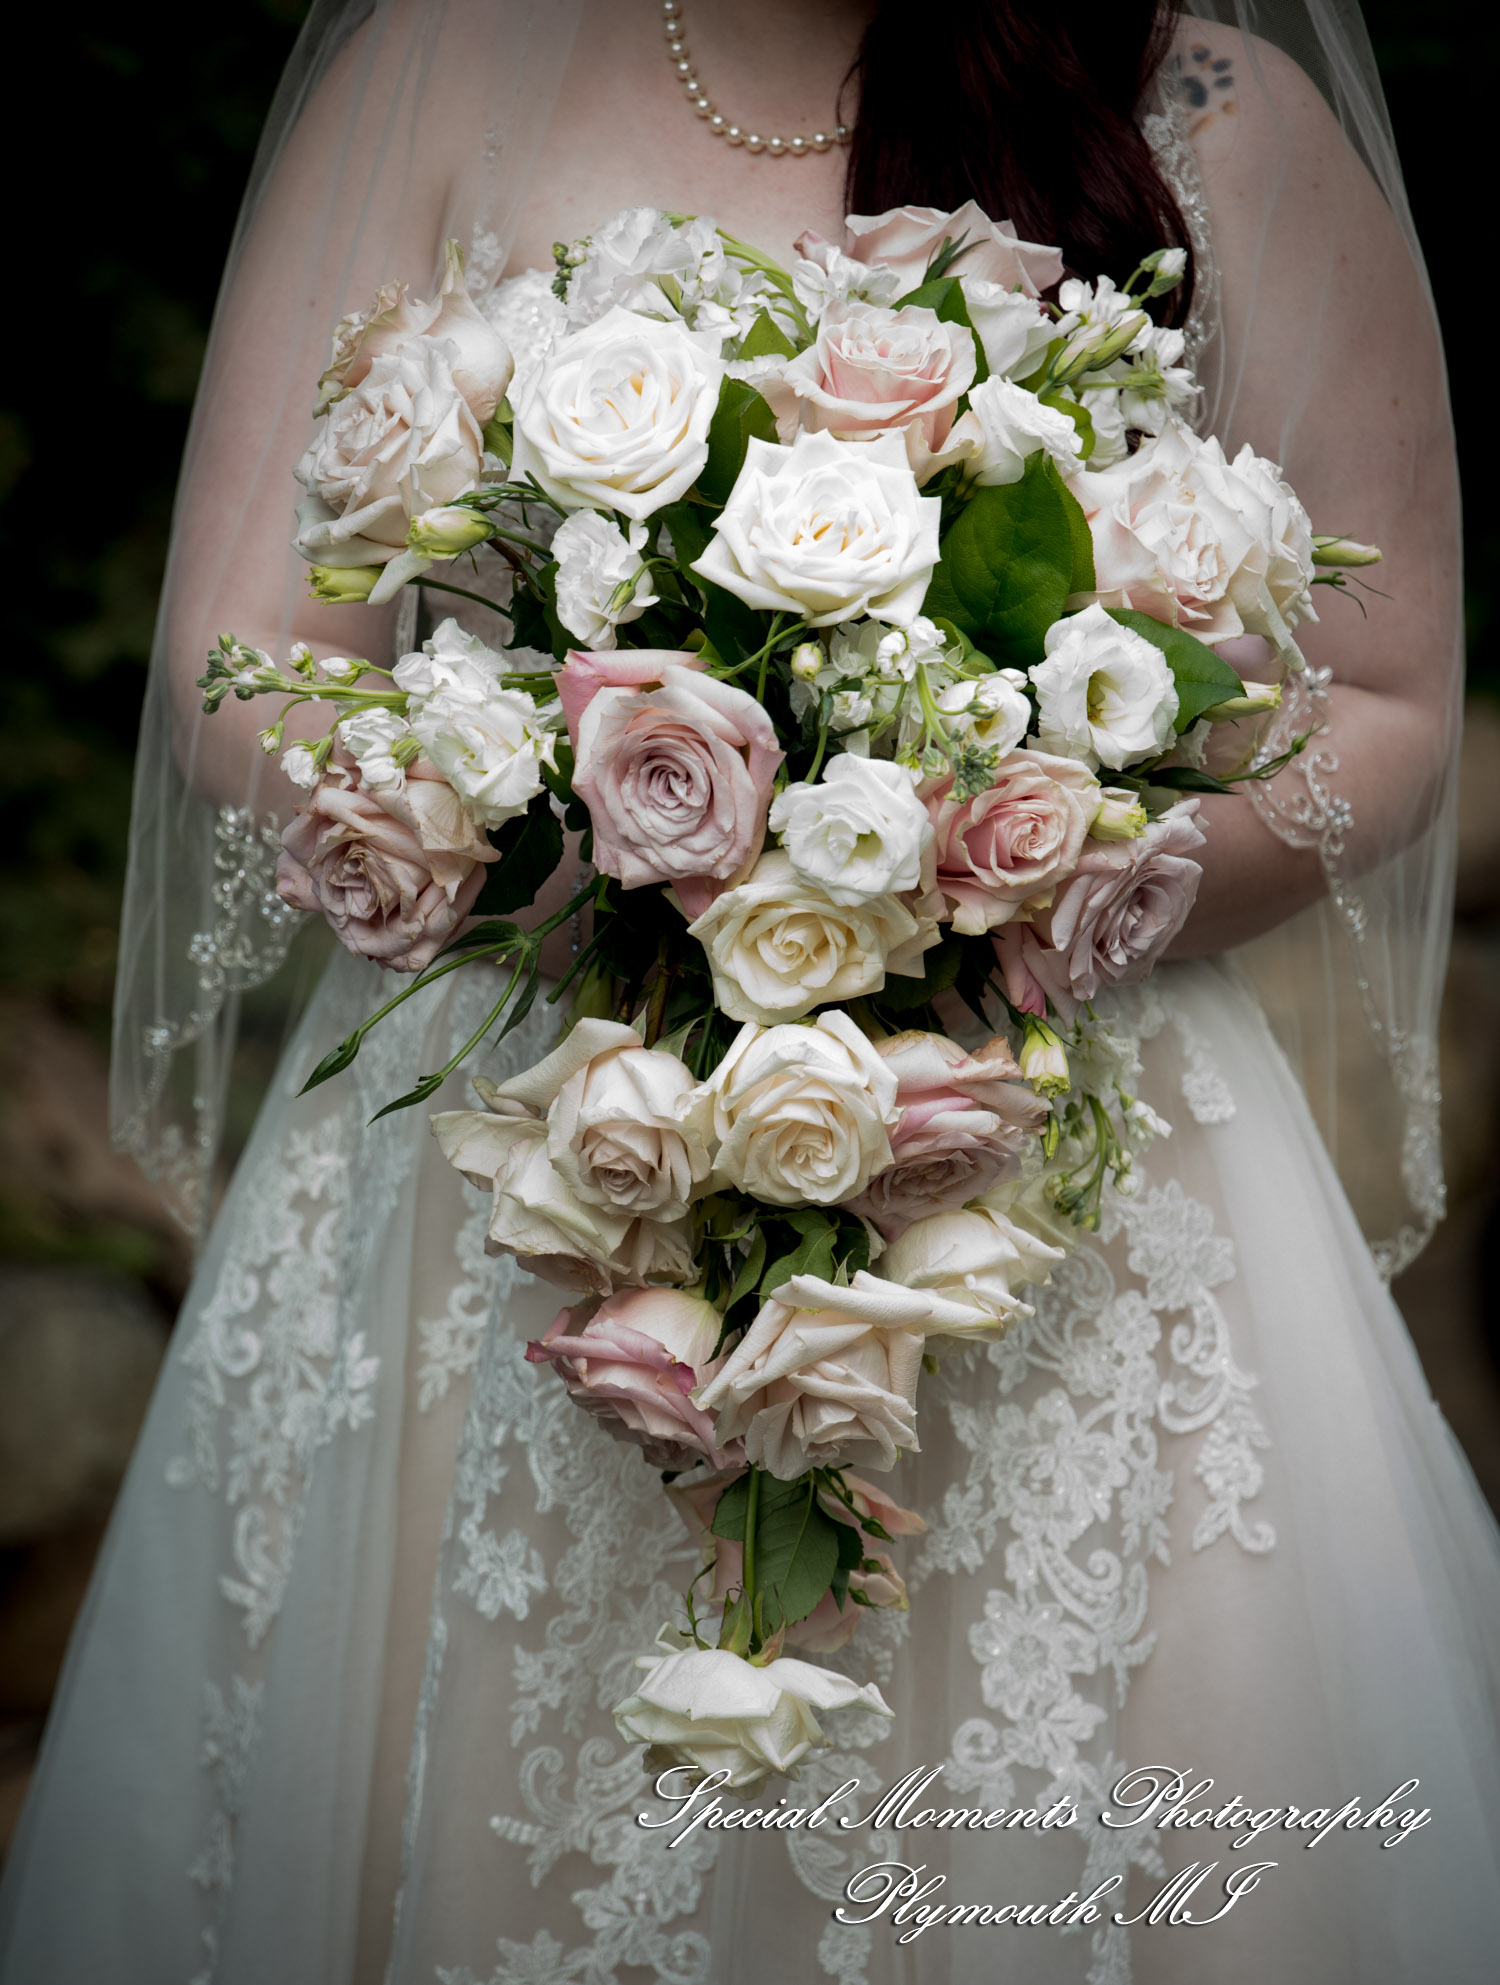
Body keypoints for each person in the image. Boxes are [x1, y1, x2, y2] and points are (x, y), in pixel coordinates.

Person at [3, 3, 1498, 1980]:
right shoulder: (443, 66)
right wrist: (607, 853)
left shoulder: (1212, 116)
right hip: (533, 1142)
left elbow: (1386, 704)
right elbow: (238, 653)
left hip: (1042, 1154)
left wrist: (1059, 875)